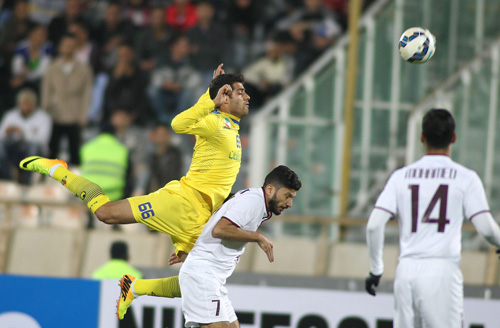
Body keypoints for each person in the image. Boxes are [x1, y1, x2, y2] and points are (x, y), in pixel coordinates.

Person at [19, 64, 250, 317]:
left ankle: (135, 287)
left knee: (204, 283)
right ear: (225, 98)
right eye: (240, 92)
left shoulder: (233, 128)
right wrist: (209, 97)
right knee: (106, 213)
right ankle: (58, 170)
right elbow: (177, 124)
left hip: (201, 216)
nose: (247, 96)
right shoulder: (215, 122)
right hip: (182, 202)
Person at [365, 109, 500, 327]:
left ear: (422, 138)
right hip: (441, 272)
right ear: (453, 138)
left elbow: (374, 225)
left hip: (406, 270)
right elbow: (485, 228)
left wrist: (376, 269)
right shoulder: (465, 178)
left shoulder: (401, 176)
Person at [179, 165, 301, 328]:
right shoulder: (253, 201)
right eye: (287, 196)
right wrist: (257, 236)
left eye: (292, 197)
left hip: (213, 278)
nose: (290, 203)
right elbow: (220, 229)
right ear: (270, 189)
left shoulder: (255, 201)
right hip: (203, 274)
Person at [42, 33, 93, 165]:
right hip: (55, 113)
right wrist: (46, 109)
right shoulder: (52, 67)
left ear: (75, 48)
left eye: (71, 46)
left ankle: (75, 178)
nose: (68, 49)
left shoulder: (84, 69)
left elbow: (87, 94)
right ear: (60, 47)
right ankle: (49, 177)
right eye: (65, 45)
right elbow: (46, 89)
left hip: (74, 114)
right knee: (52, 148)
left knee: (74, 149)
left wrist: (83, 115)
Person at [0, 88, 52, 184]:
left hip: (36, 152)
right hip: (15, 150)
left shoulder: (43, 117)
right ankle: (9, 178)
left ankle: (27, 181)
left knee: (32, 148)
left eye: (29, 104)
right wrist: (7, 133)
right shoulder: (10, 115)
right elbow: (1, 135)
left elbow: (42, 140)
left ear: (34, 104)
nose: (26, 107)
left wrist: (22, 133)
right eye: (24, 103)